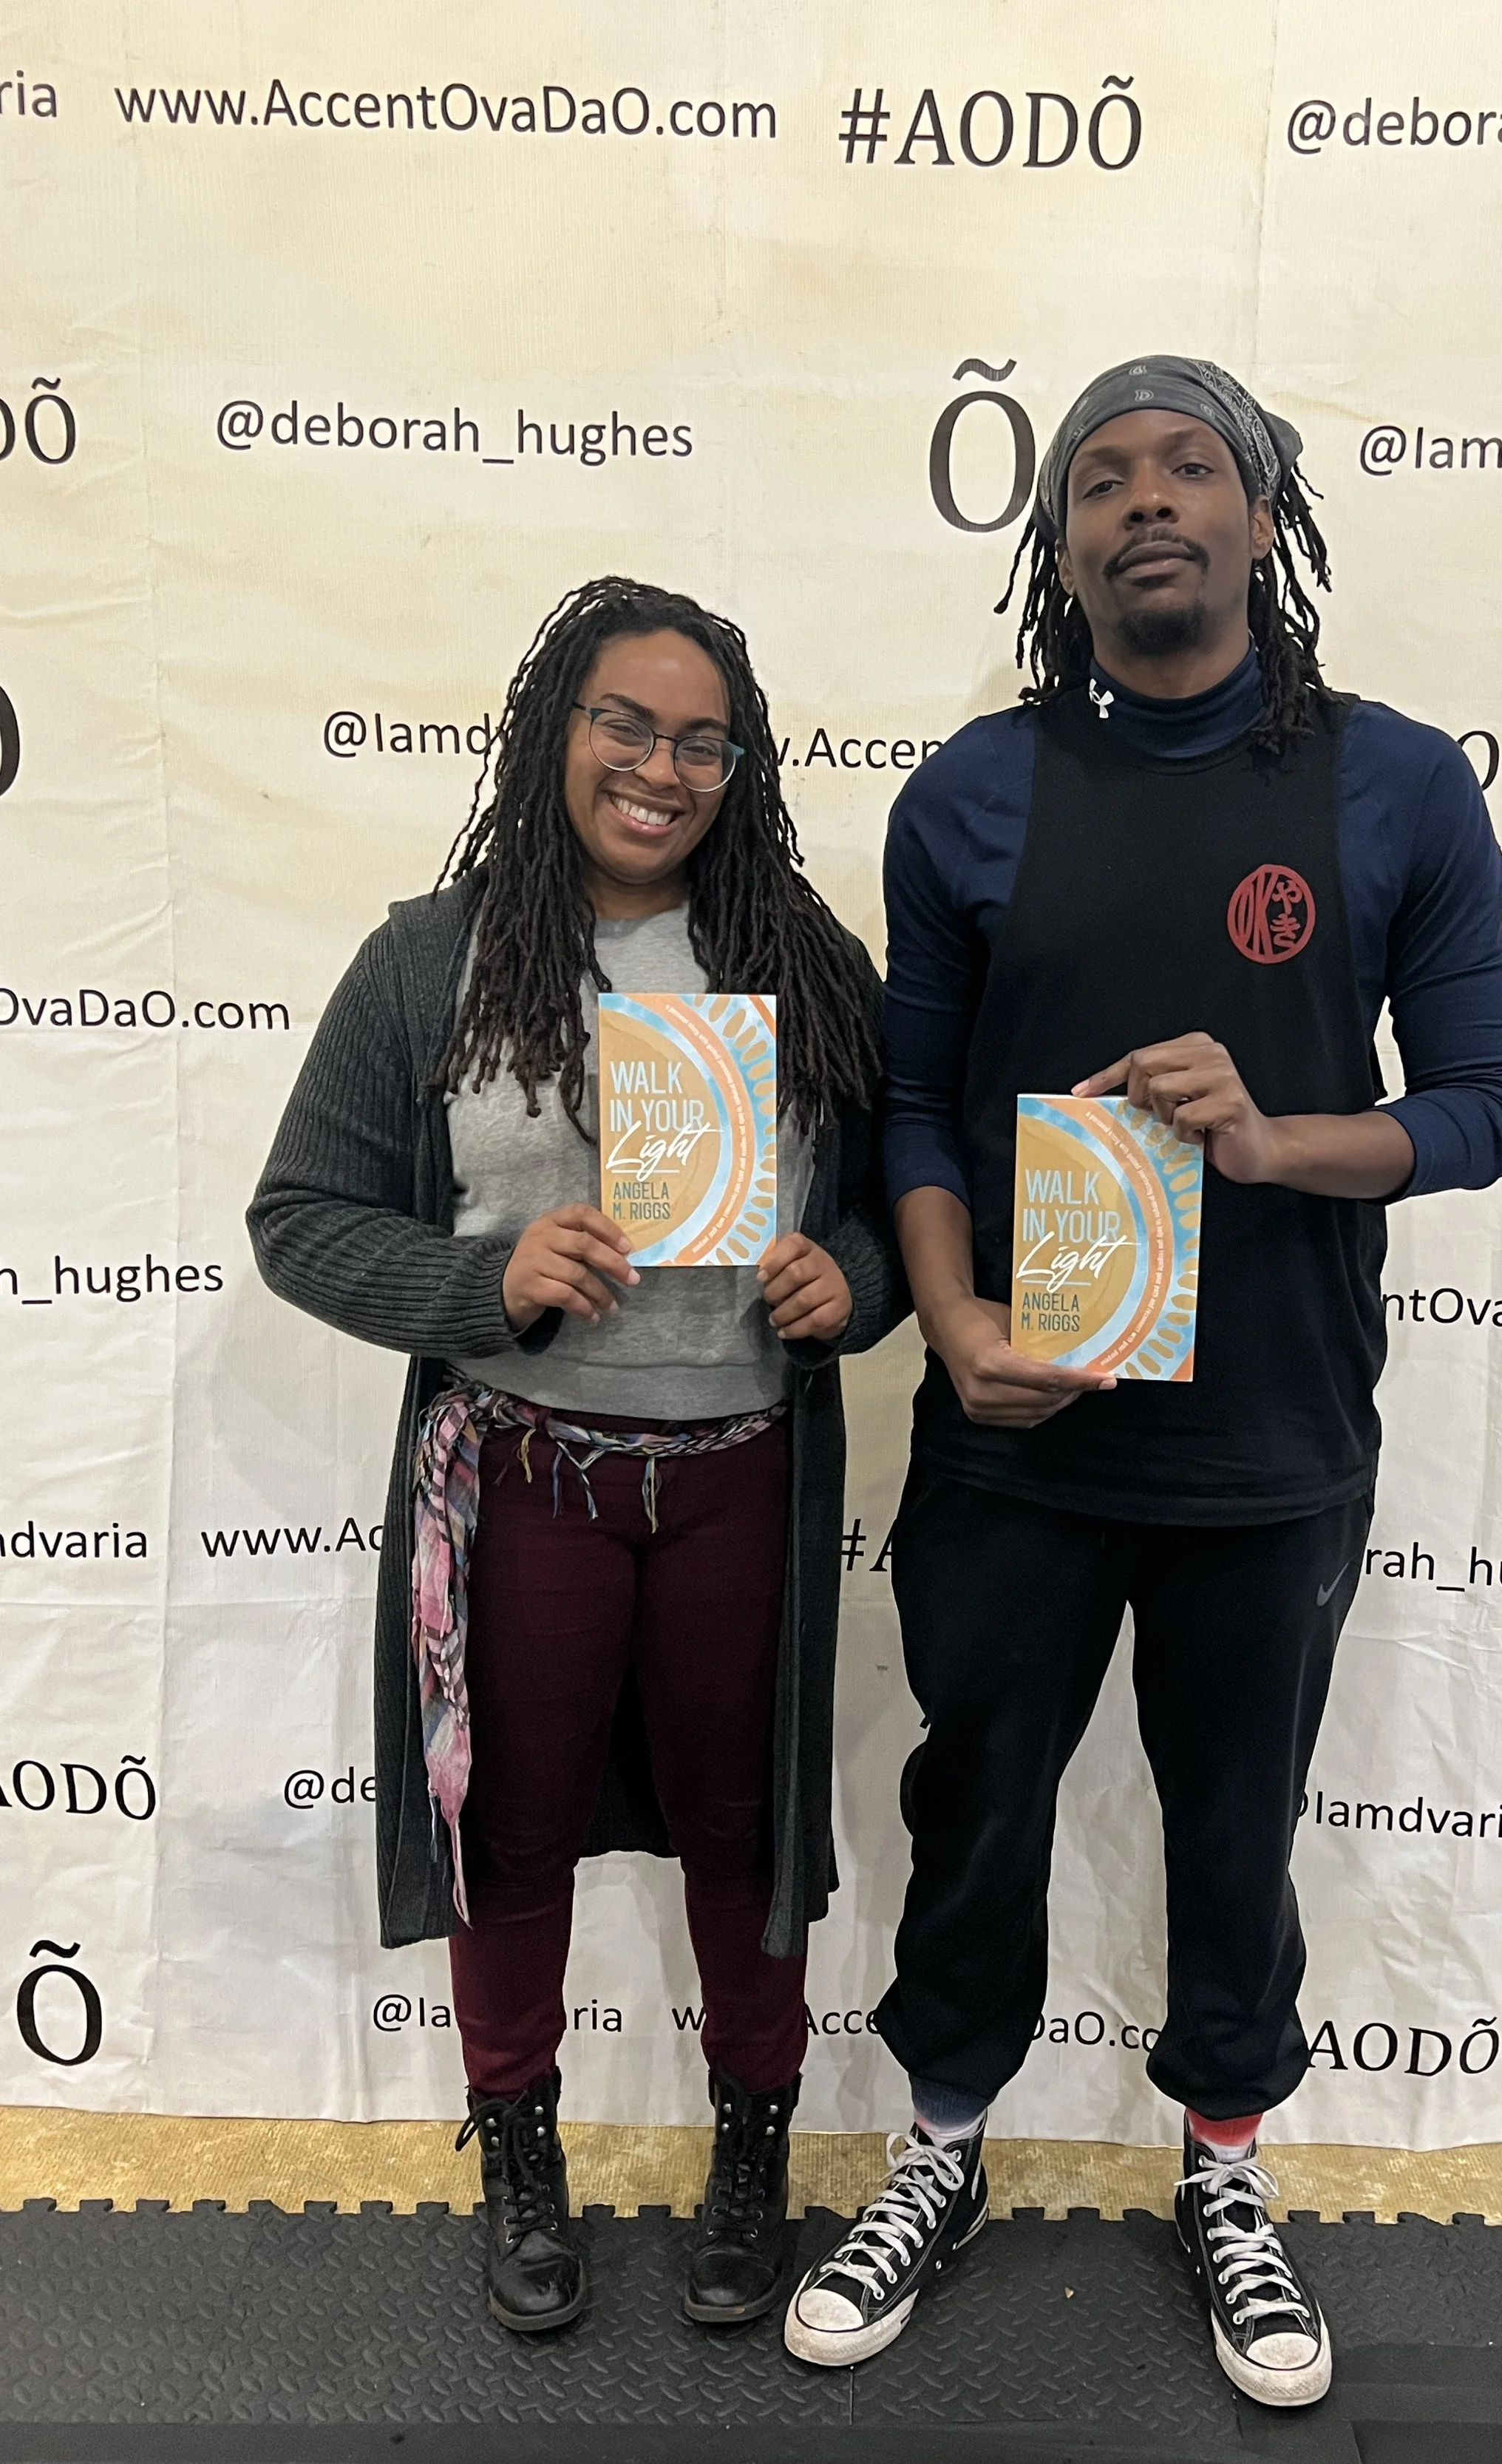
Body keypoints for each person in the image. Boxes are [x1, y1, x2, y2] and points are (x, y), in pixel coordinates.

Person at [783, 359, 1502, 2406]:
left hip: (1271, 1437)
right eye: (1098, 478)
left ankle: (1223, 2171)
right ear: (1059, 546)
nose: (1143, 501)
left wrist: (1272, 1138)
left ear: (1262, 518)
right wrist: (952, 1323)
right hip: (1012, 1438)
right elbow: (913, 1111)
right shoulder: (966, 795)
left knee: (1233, 1831)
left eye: (1187, 466)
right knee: (974, 1814)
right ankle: (940, 2151)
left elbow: (1477, 1109)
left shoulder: (1394, 784)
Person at [251, 577, 904, 2336]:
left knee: (741, 1836)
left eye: (702, 741)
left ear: (738, 770)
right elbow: (301, 1217)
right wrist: (483, 1279)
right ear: (557, 730)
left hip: (741, 1477)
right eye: (626, 723)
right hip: (521, 1475)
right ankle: (520, 2151)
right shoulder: (428, 961)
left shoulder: (804, 962)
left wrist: (852, 1278)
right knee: (511, 1830)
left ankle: (752, 2152)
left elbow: (889, 1209)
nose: (659, 767)